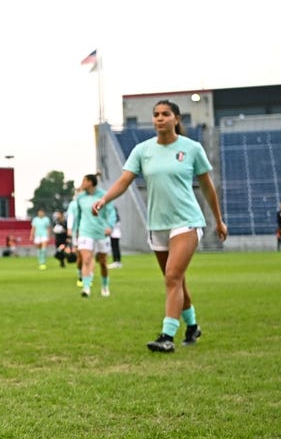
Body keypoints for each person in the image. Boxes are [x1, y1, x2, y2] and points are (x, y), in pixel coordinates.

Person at [93, 99, 227, 352]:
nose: (160, 118)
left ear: (176, 119)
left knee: (172, 276)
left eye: (166, 114)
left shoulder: (192, 148)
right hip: (157, 225)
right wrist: (104, 199)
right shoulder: (142, 150)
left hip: (187, 221)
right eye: (156, 114)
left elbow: (208, 188)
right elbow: (124, 181)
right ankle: (192, 325)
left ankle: (167, 336)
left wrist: (218, 220)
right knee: (176, 281)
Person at [70, 174, 116, 298]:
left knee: (102, 262)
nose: (82, 183)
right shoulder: (80, 198)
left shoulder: (104, 195)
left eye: (84, 181)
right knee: (86, 259)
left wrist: (110, 226)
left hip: (101, 232)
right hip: (85, 232)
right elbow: (78, 216)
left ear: (90, 182)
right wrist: (76, 231)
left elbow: (112, 212)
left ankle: (105, 286)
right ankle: (86, 288)